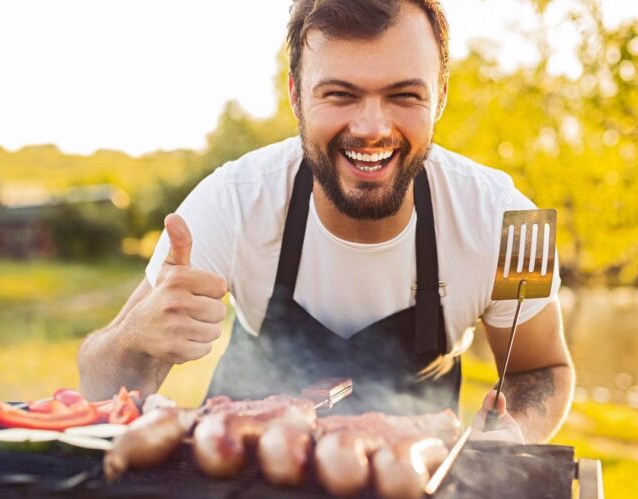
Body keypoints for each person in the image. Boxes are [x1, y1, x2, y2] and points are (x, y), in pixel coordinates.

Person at [78, 0, 574, 443]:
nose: (372, 128)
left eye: (404, 95)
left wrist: (517, 433)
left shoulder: (502, 218)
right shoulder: (232, 201)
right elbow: (101, 387)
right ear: (296, 95)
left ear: (440, 95)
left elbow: (541, 368)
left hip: (411, 487)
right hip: (237, 473)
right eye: (340, 94)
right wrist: (133, 339)